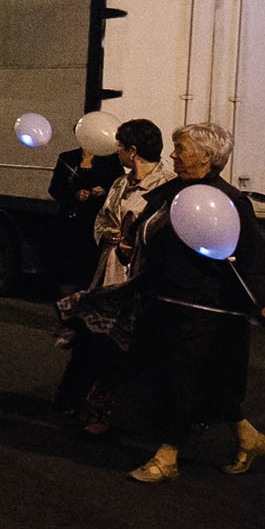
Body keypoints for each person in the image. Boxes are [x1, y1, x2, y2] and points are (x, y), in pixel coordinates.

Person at [120, 123, 265, 482]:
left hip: (206, 310)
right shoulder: (171, 192)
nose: (173, 155)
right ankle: (249, 437)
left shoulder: (226, 202)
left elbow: (253, 254)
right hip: (166, 301)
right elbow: (153, 232)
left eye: (181, 148)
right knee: (202, 383)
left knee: (181, 381)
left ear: (207, 157)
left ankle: (167, 456)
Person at [54, 117, 169, 432]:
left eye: (120, 147)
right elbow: (103, 221)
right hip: (109, 274)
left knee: (122, 347)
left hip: (136, 283)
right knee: (94, 338)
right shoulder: (121, 184)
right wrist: (106, 235)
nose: (116, 151)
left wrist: (137, 246)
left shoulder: (165, 187)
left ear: (133, 151)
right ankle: (76, 403)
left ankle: (112, 412)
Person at [46, 142, 125, 303]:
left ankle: (87, 305)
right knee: (67, 265)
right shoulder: (67, 157)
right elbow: (55, 188)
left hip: (96, 220)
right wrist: (74, 195)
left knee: (90, 264)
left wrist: (103, 190)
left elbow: (120, 185)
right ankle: (67, 305)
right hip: (70, 220)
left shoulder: (110, 159)